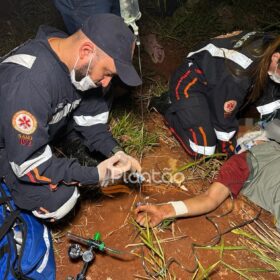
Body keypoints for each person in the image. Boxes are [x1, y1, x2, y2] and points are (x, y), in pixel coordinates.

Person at [0, 13, 142, 222]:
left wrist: (117, 151)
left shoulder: (75, 62)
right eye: (108, 73)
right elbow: (29, 166)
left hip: (33, 133)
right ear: (86, 51)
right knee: (61, 199)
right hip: (9, 147)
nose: (106, 83)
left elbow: (92, 124)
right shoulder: (30, 84)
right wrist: (96, 174)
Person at [150, 31, 280, 158]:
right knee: (204, 150)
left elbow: (272, 107)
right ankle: (167, 105)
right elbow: (224, 121)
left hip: (217, 82)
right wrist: (228, 153)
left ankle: (205, 112)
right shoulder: (239, 73)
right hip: (191, 82)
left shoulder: (272, 45)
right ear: (276, 57)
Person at [135, 128, 280, 231]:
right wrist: (164, 210)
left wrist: (164, 211)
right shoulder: (242, 161)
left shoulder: (245, 160)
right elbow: (210, 198)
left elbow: (210, 198)